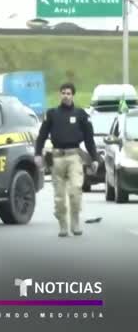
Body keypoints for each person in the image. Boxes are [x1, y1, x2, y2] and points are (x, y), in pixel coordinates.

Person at [35, 83, 98, 237]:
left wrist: (94, 158)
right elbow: (42, 135)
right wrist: (38, 154)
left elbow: (89, 138)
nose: (65, 95)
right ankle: (63, 225)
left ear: (73, 95)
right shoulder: (52, 114)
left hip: (74, 156)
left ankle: (75, 222)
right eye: (63, 93)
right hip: (57, 158)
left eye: (68, 93)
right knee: (59, 196)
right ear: (60, 95)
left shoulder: (80, 114)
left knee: (75, 190)